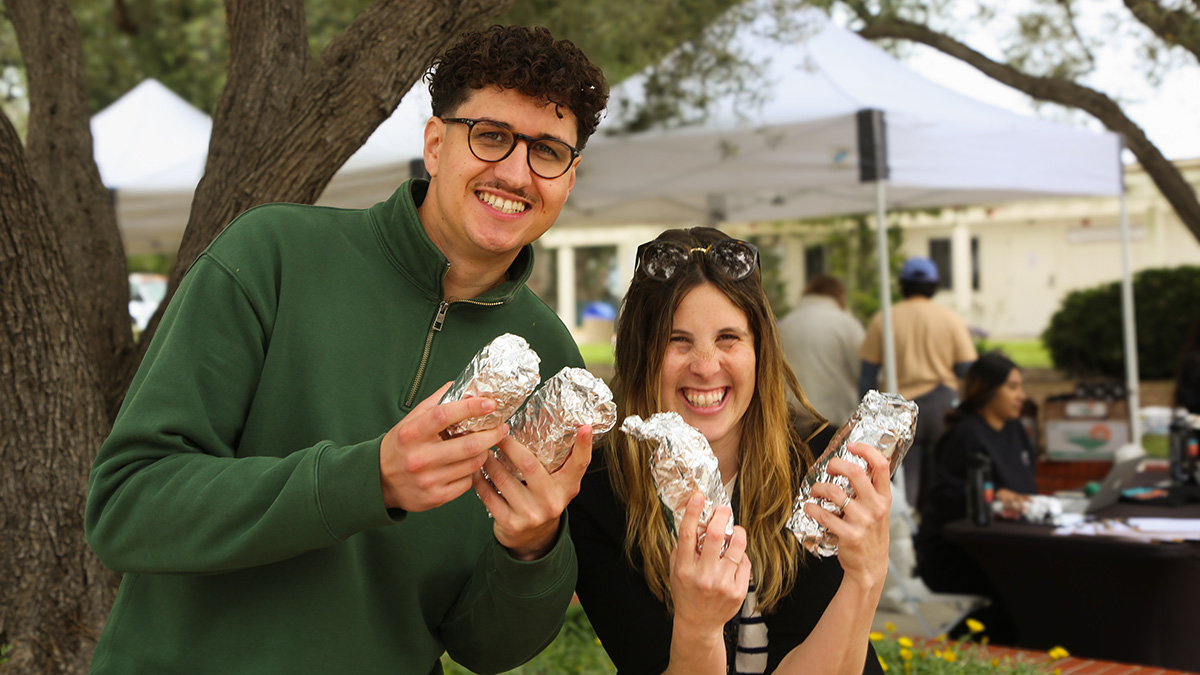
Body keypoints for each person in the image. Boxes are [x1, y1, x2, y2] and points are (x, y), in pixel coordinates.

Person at [85, 26, 608, 673]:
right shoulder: (272, 254)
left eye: (548, 151)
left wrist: (532, 547)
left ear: (570, 176)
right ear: (437, 144)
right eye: (492, 136)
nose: (515, 171)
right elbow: (126, 509)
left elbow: (486, 647)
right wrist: (369, 479)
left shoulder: (554, 360)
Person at [570, 227, 891, 675]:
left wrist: (866, 577)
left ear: (761, 349)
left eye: (728, 338)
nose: (705, 367)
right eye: (676, 340)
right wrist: (699, 628)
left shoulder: (821, 462)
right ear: (641, 353)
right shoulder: (601, 492)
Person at [912, 353, 1036, 645]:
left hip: (1008, 548)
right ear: (988, 390)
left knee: (1040, 582)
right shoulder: (963, 437)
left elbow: (1027, 490)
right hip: (954, 556)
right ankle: (958, 646)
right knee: (1029, 589)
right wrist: (991, 496)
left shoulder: (1017, 430)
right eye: (1013, 387)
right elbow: (945, 498)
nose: (1022, 396)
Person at [858, 257, 977, 508]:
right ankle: (937, 534)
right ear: (935, 286)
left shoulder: (884, 319)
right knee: (942, 473)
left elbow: (868, 374)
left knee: (903, 479)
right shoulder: (950, 318)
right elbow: (967, 369)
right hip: (942, 403)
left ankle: (908, 537)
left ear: (902, 285)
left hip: (898, 408)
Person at [779, 274, 865, 429]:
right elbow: (863, 371)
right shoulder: (847, 324)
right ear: (840, 296)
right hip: (834, 418)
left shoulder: (785, 324)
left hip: (792, 419)